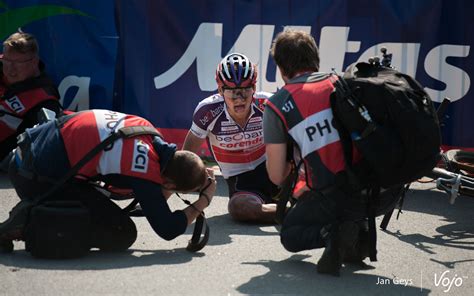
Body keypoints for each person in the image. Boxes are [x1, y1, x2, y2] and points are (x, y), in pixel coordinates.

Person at [263, 29, 402, 275]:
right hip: (386, 193)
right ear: (316, 60)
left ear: (282, 70)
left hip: (342, 198)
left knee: (291, 235)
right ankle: (356, 231)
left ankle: (333, 232)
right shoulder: (346, 82)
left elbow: (276, 176)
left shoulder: (277, 105)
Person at [0, 109, 216, 254]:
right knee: (121, 233)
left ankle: (43, 208)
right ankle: (29, 221)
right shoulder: (144, 170)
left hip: (28, 147)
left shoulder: (146, 129)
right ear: (169, 184)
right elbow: (167, 229)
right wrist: (204, 200)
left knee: (101, 206)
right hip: (32, 177)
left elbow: (152, 194)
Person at [182, 53, 278, 223]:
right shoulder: (207, 111)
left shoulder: (268, 104)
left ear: (254, 88)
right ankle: (292, 211)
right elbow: (183, 160)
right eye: (233, 92)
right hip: (241, 180)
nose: (239, 99)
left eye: (245, 91)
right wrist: (159, 201)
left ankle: (295, 205)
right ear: (220, 90)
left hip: (273, 169)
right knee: (238, 208)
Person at [0, 31, 62, 167]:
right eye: (7, 61)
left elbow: (27, 145)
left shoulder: (45, 100)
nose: (10, 70)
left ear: (34, 62)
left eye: (18, 64)